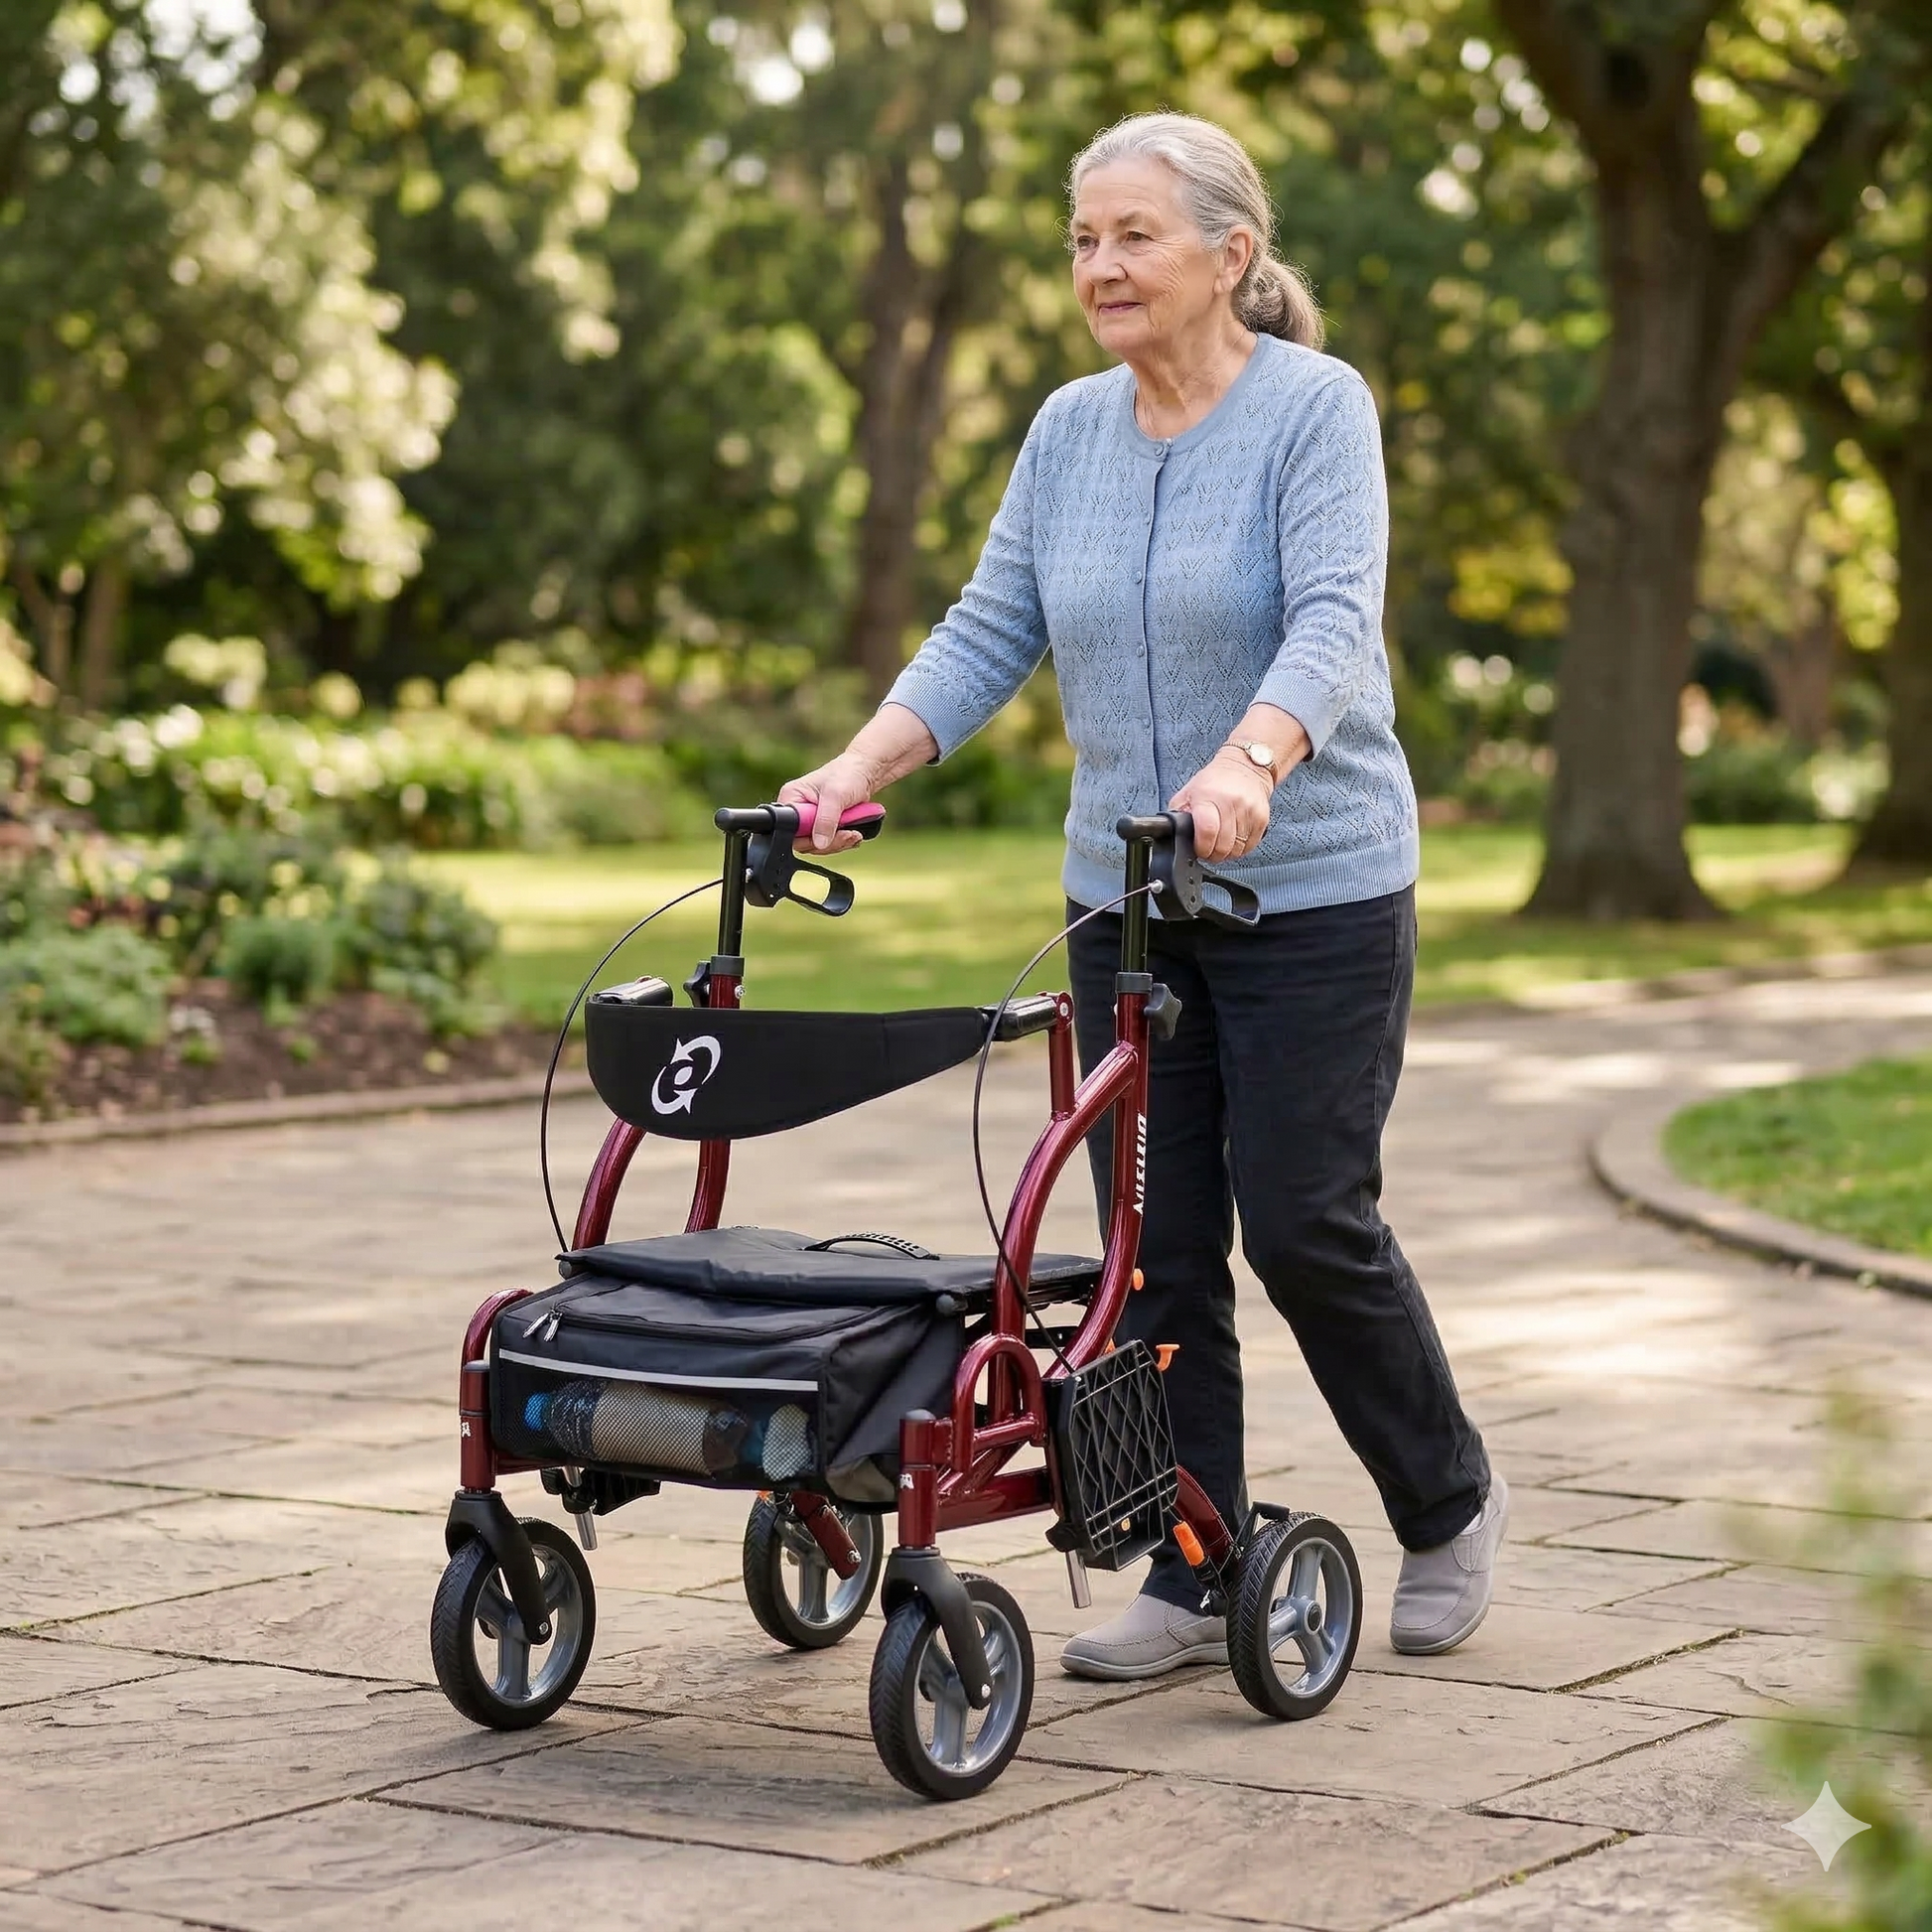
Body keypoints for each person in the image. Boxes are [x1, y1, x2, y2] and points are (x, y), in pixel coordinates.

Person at [781, 111, 1506, 1676]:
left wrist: (1254, 759)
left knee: (1307, 1223)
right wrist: (853, 770)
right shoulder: (1065, 431)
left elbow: (1331, 620)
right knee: (1152, 1251)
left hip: (1310, 891)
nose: (1098, 266)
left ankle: (1444, 1498)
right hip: (1126, 900)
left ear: (1229, 257)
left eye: (1132, 236)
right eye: (1081, 239)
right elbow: (987, 628)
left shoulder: (1316, 410)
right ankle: (1195, 1562)